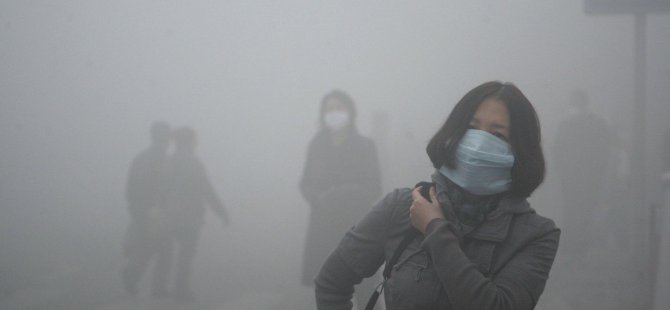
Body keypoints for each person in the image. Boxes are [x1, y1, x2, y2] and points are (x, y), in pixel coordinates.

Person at [315, 81, 560, 309]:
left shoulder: (536, 235)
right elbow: (332, 282)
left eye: (496, 135)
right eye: (471, 128)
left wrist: (435, 228)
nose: (478, 143)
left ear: (519, 148)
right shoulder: (402, 206)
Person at [300, 90, 383, 308]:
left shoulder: (365, 146)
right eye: (329, 109)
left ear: (350, 112)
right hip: (323, 227)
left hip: (359, 227)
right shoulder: (316, 145)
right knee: (329, 290)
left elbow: (375, 187)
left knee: (366, 289)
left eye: (339, 108)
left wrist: (349, 194)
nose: (334, 113)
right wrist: (320, 198)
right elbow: (305, 184)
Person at [157, 127, 230, 302]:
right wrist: (222, 212)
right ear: (189, 142)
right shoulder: (194, 163)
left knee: (166, 252)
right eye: (194, 141)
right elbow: (207, 190)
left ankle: (159, 287)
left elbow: (160, 190)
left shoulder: (169, 162)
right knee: (186, 255)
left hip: (170, 215)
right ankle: (180, 289)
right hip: (190, 217)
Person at [552, 90, 612, 255]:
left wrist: (563, 170)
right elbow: (604, 149)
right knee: (581, 209)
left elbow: (558, 150)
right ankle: (576, 246)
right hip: (580, 176)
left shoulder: (570, 124)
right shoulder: (594, 123)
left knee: (577, 209)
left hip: (578, 176)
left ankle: (573, 246)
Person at [121, 121, 172, 296]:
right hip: (148, 211)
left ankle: (134, 277)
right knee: (158, 248)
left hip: (160, 211)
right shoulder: (145, 160)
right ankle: (138, 279)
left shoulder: (164, 160)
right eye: (164, 137)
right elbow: (132, 189)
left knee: (156, 248)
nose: (166, 141)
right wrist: (138, 211)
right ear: (157, 137)